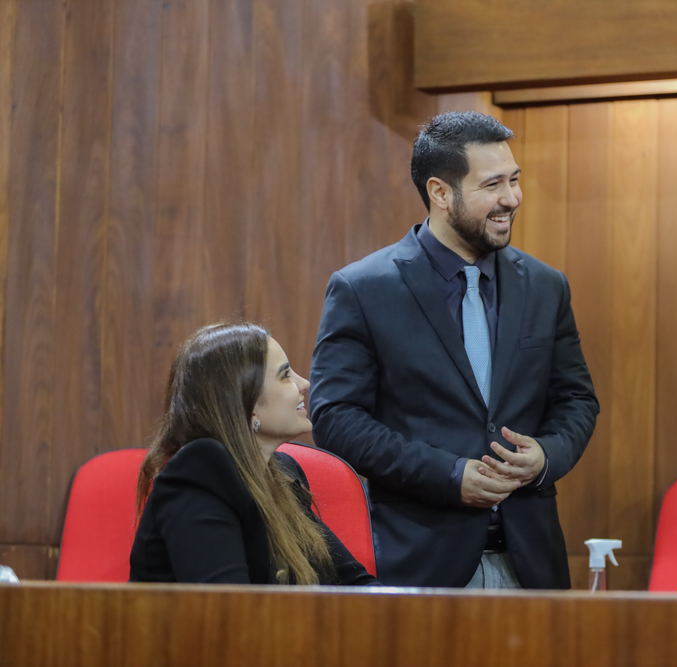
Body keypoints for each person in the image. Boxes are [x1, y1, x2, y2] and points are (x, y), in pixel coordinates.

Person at [309, 111, 599, 588]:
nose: (511, 198)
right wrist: (447, 474)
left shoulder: (546, 286)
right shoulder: (362, 289)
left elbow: (577, 400)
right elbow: (335, 417)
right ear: (441, 193)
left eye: (514, 180)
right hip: (420, 564)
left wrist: (546, 456)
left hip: (532, 564)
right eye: (492, 185)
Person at [129, 322, 378, 586]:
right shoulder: (201, 471)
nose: (304, 383)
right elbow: (228, 606)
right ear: (247, 406)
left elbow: (354, 586)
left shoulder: (282, 471)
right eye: (285, 375)